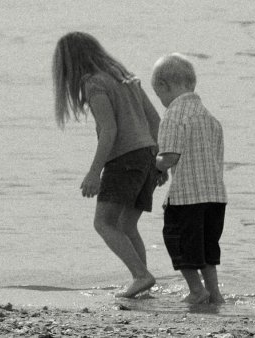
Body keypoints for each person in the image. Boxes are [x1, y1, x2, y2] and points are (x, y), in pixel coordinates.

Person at [52, 32, 164, 298]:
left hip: (124, 159)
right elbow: (155, 121)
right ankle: (143, 286)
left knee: (103, 223)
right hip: (146, 154)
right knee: (126, 225)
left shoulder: (94, 84)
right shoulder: (126, 78)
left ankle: (141, 275)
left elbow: (109, 130)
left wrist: (94, 173)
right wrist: (160, 164)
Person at [152, 53, 227, 304]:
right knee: (207, 248)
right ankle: (215, 293)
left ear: (163, 86)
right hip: (215, 197)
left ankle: (196, 290)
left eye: (158, 94)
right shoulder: (210, 118)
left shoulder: (174, 115)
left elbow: (170, 156)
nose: (161, 101)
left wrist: (156, 164)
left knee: (180, 244)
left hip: (187, 197)